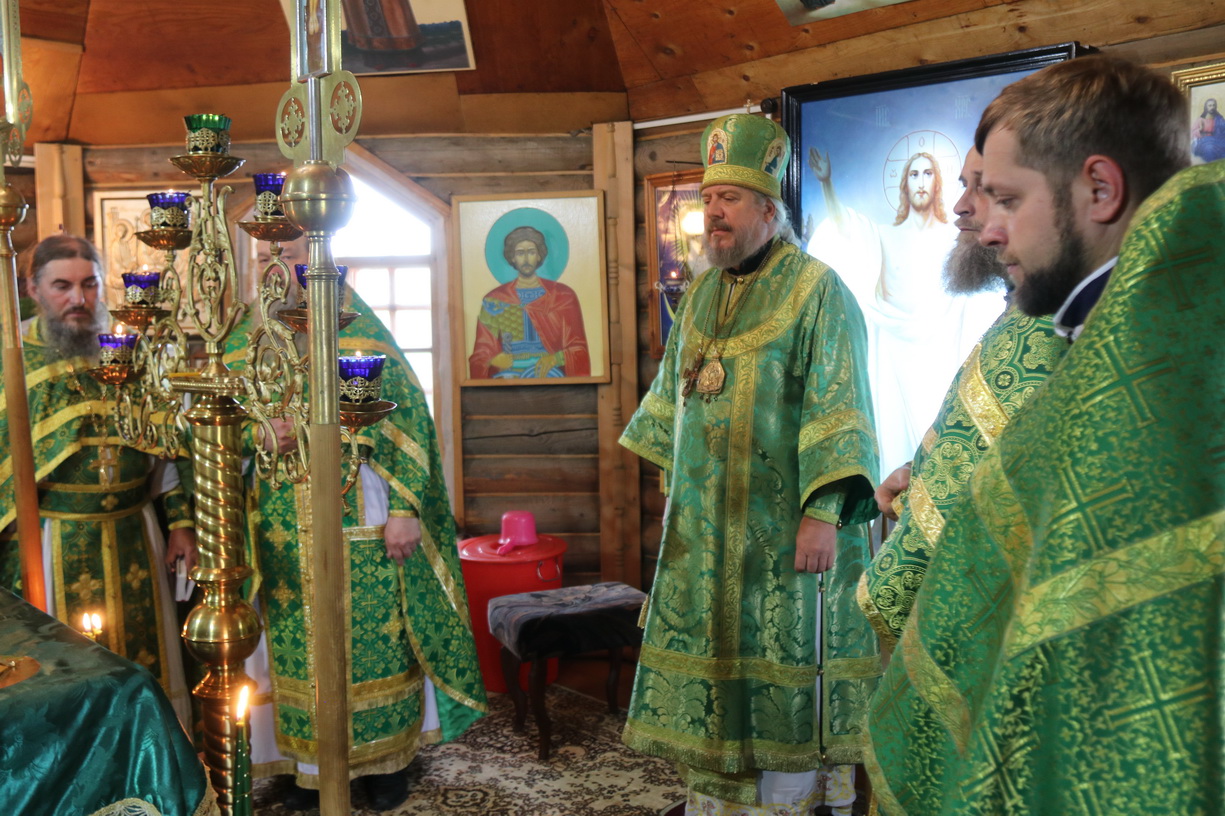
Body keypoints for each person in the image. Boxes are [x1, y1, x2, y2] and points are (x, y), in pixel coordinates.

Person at [864, 55, 1207, 816]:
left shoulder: (1164, 358)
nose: (984, 225)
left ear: (1098, 189)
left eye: (1005, 198)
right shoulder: (1114, 329)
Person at [620, 113, 880, 816]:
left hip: (786, 539)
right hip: (707, 538)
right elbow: (670, 402)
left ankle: (789, 803)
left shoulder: (818, 290)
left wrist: (822, 517)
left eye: (729, 200)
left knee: (783, 676)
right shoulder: (703, 292)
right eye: (707, 201)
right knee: (718, 683)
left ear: (769, 210)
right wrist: (676, 492)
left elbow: (841, 407)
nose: (712, 214)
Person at [231, 239, 486, 812]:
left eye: (296, 254)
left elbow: (410, 422)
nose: (285, 268)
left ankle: (387, 762)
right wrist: (266, 432)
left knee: (377, 637)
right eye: (272, 256)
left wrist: (402, 512)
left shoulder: (362, 337)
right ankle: (307, 768)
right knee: (295, 645)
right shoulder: (247, 346)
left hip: (364, 511)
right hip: (277, 521)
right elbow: (223, 429)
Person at [856, 147, 1066, 647]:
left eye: (989, 189)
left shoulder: (1048, 320)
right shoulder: (1023, 310)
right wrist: (922, 472)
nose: (961, 206)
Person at [0, 234, 198, 725]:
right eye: (62, 286)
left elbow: (167, 446)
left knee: (147, 663)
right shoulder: (13, 357)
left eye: (89, 284)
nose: (79, 299)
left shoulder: (130, 348)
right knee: (61, 675)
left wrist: (180, 523)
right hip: (50, 540)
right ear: (33, 288)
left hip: (136, 532)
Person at [808, 144, 1001, 475]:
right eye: (914, 174)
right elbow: (845, 227)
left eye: (928, 173)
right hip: (894, 357)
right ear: (904, 185)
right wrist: (826, 184)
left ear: (937, 182)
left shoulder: (954, 238)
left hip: (940, 354)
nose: (921, 181)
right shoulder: (885, 235)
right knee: (894, 443)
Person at [468, 225, 591, 379]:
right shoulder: (495, 299)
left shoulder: (562, 296)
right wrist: (494, 359)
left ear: (539, 256)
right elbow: (481, 352)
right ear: (512, 257)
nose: (526, 259)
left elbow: (579, 349)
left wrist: (555, 358)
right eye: (520, 253)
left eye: (531, 252)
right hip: (508, 377)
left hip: (550, 374)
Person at [1191, 97, 1225, 163]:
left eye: (1213, 105)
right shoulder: (1200, 120)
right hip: (1204, 142)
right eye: (1210, 105)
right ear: (1206, 107)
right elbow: (1191, 133)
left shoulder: (1220, 119)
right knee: (1210, 149)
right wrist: (1200, 130)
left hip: (1219, 140)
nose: (1212, 107)